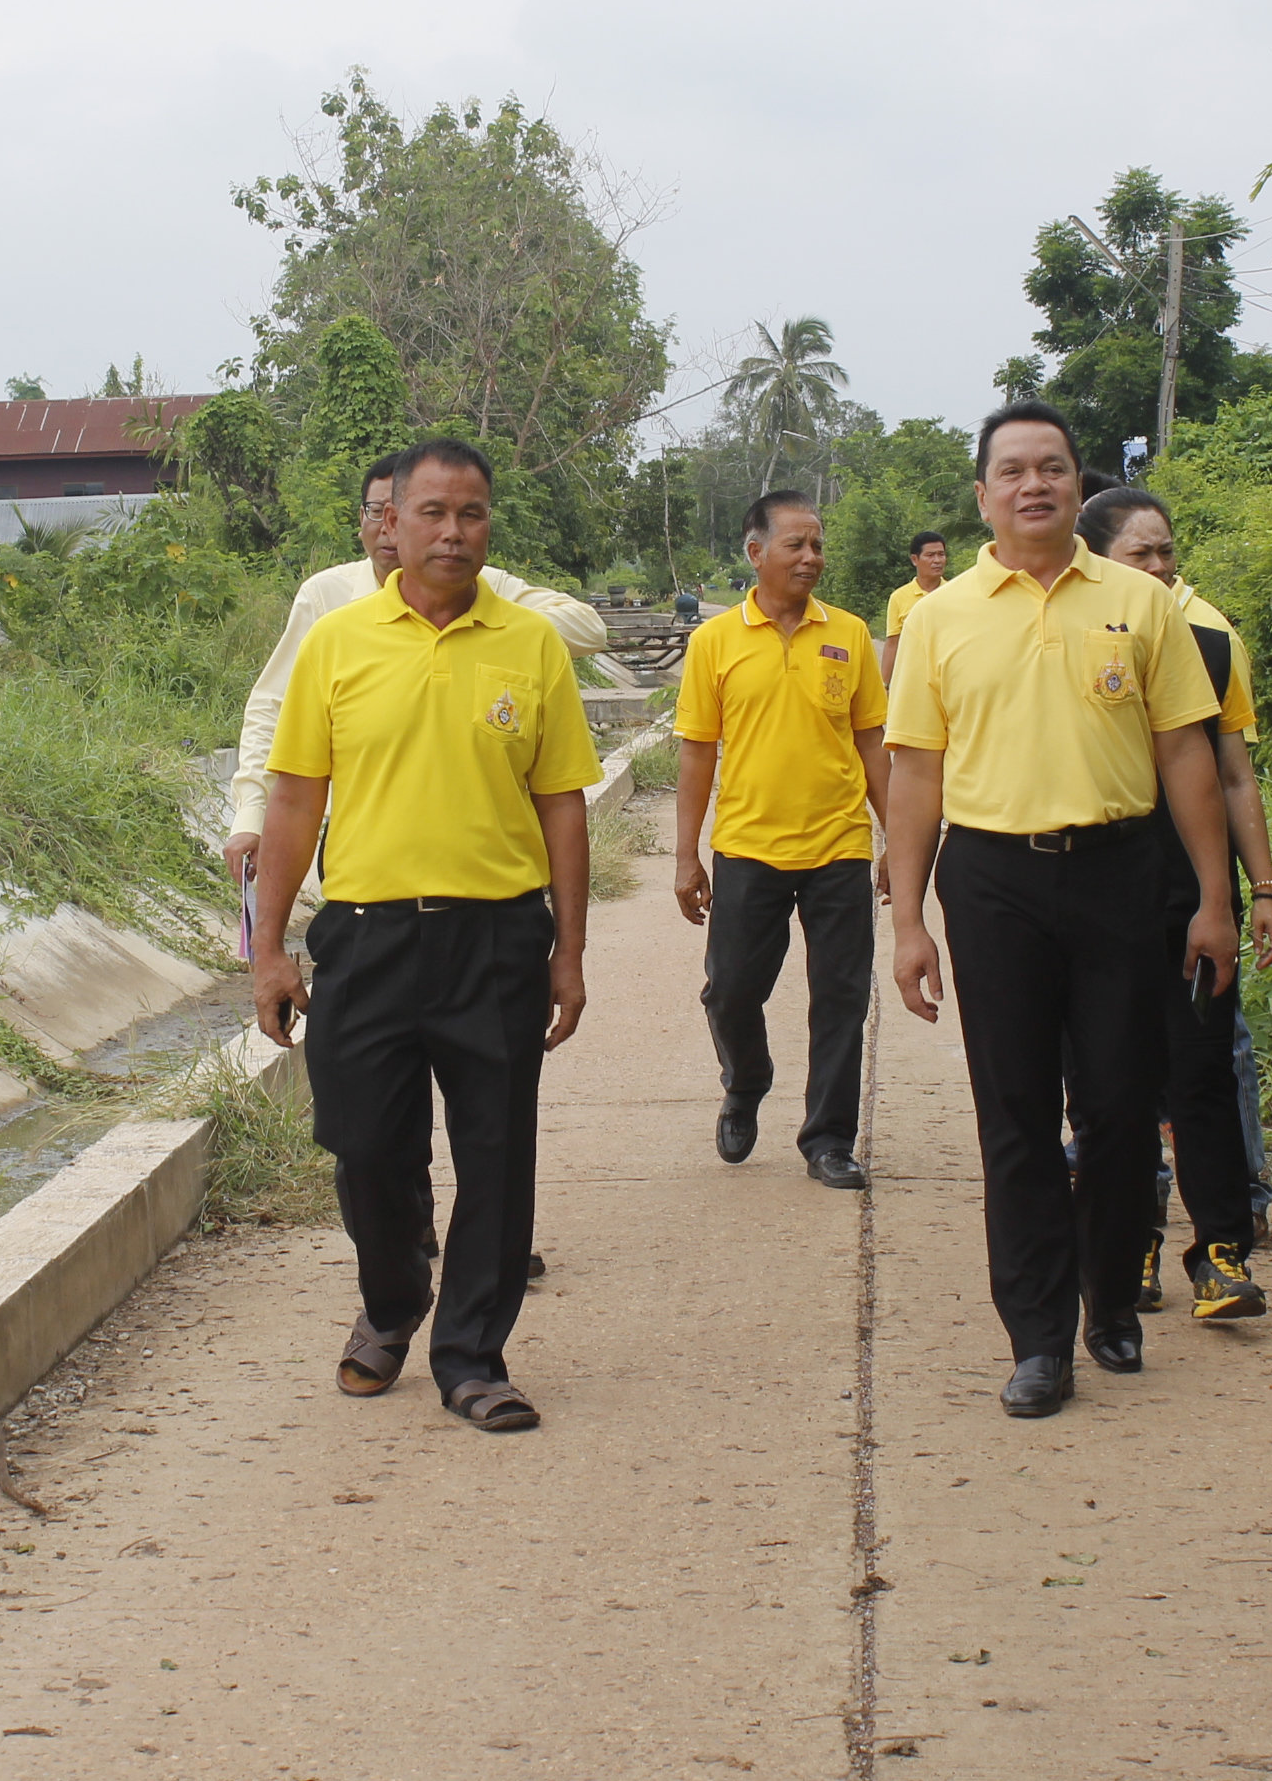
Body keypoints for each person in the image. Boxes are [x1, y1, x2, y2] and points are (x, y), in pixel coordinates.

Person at [881, 402, 1242, 1418]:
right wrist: (909, 922)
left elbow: (1187, 756)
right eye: (1014, 471)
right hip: (993, 882)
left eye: (1054, 468)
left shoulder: (1140, 603)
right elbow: (916, 776)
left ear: (1079, 486)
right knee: (1017, 1118)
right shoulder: (942, 617)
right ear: (984, 494)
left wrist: (1214, 899)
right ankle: (1038, 1339)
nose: (1035, 484)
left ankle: (1109, 1301)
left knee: (1126, 1106)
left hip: (1122, 874)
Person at [248, 440, 598, 1433]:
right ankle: (393, 1300)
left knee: (495, 1153)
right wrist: (269, 948)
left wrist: (567, 952)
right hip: (367, 939)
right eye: (433, 513)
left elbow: (563, 804)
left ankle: (474, 1356)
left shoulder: (528, 645)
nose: (454, 532)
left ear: (491, 525)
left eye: (474, 514)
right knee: (365, 1147)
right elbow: (292, 800)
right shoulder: (338, 642)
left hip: (495, 942)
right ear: (388, 523)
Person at [1077, 487, 1272, 1319]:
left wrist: (1251, 891)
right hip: (1097, 903)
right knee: (1109, 1086)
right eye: (1140, 553)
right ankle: (1136, 1247)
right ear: (1097, 562)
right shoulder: (1067, 647)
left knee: (1201, 1074)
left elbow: (1234, 776)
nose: (1160, 567)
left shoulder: (1210, 646)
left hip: (1193, 900)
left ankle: (1222, 1252)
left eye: (1166, 551)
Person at [221, 455, 607, 884]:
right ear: (377, 517)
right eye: (377, 512)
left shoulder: (486, 588)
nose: (387, 529)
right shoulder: (327, 600)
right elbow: (271, 708)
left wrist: (491, 634)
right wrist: (251, 814)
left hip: (488, 874)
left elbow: (589, 627)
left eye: (444, 513)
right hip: (364, 854)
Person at [672, 491, 891, 1190]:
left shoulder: (850, 635)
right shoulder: (714, 642)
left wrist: (899, 845)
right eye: (796, 545)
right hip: (747, 846)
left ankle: (828, 1139)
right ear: (755, 552)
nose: (811, 558)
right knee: (730, 991)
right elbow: (698, 752)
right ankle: (747, 1080)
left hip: (839, 845)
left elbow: (872, 742)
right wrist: (687, 855)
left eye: (818, 545)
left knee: (841, 997)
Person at [878, 529, 950, 683]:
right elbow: (893, 644)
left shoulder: (955, 593)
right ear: (915, 559)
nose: (937, 560)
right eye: (930, 555)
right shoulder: (899, 597)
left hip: (948, 678)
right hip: (913, 679)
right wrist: (884, 685)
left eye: (941, 554)